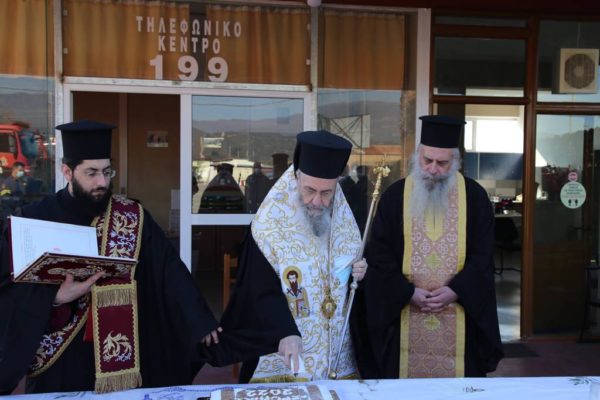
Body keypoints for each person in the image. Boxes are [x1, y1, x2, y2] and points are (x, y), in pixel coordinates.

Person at [0, 120, 223, 394]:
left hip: (121, 348)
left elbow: (168, 270)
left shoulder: (131, 216)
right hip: (59, 355)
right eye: (91, 173)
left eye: (107, 172)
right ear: (67, 172)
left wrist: (198, 319)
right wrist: (54, 297)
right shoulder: (33, 218)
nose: (102, 182)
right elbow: (7, 286)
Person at [354, 115, 503, 379]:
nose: (433, 169)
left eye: (442, 163)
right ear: (418, 156)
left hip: (460, 314)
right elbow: (379, 254)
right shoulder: (395, 197)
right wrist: (407, 292)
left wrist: (456, 290)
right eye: (427, 160)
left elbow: (483, 255)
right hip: (404, 313)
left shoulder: (475, 198)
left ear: (455, 162)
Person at [219, 130, 368, 383]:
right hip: (284, 352)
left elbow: (352, 288)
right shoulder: (268, 226)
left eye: (326, 193)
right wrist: (284, 331)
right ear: (297, 178)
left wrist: (362, 273)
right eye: (310, 190)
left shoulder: (346, 224)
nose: (317, 202)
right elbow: (257, 290)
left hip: (337, 358)